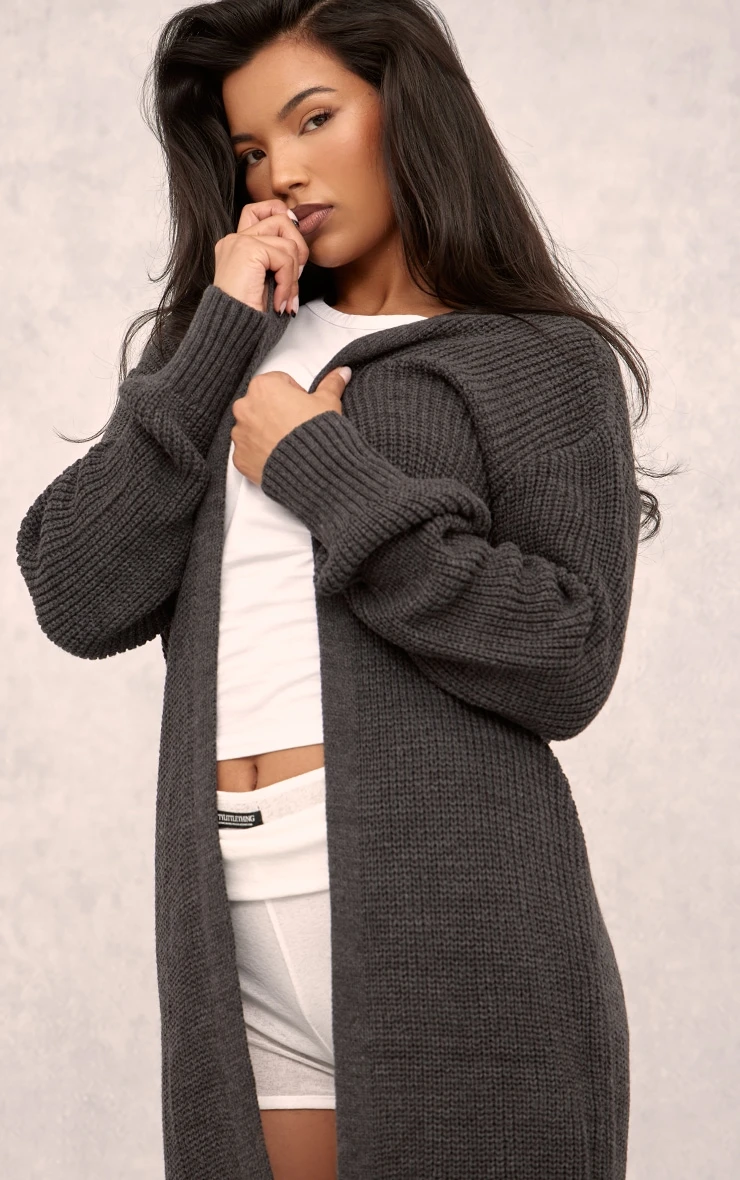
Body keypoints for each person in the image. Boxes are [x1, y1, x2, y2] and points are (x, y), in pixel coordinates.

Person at [16, 2, 676, 1178]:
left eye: (313, 119)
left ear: (404, 110)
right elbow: (75, 589)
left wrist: (321, 468)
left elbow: (566, 655)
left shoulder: (531, 356)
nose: (282, 172)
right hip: (229, 922)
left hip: (453, 914)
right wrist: (218, 336)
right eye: (251, 151)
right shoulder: (215, 355)